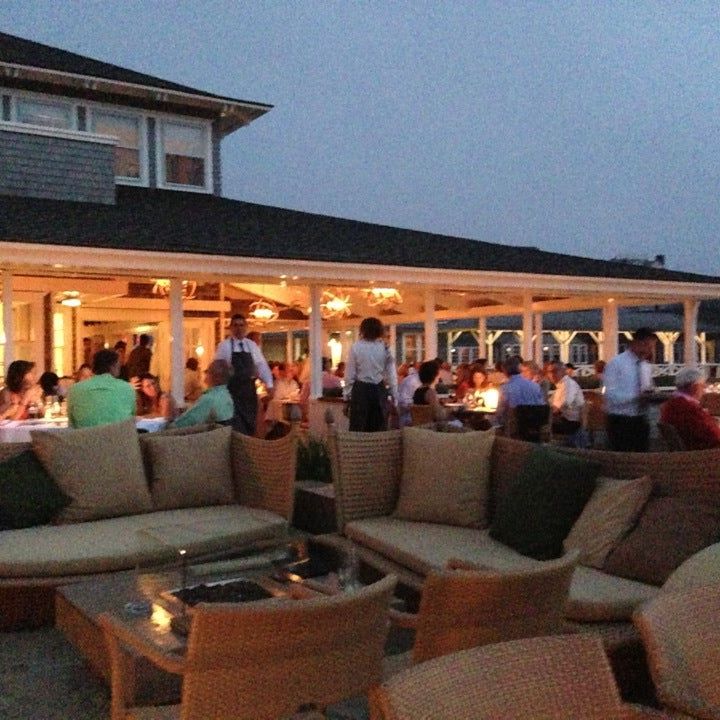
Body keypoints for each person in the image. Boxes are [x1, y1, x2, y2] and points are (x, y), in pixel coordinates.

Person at [214, 313, 274, 435]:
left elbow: (262, 365)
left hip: (248, 392)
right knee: (235, 427)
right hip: (232, 392)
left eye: (241, 325)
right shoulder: (224, 346)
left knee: (250, 425)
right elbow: (217, 369)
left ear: (246, 327)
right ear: (230, 327)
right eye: (235, 325)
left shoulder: (252, 346)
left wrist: (269, 384)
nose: (239, 328)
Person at [603, 327, 657, 452]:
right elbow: (610, 395)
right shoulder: (616, 364)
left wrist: (652, 395)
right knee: (623, 458)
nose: (650, 351)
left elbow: (647, 389)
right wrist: (636, 397)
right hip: (620, 420)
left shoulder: (645, 366)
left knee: (641, 456)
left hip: (641, 418)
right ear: (636, 343)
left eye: (651, 347)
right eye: (648, 346)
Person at [344, 316, 398, 432]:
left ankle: (358, 449)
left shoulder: (355, 347)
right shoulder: (385, 348)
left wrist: (346, 397)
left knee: (359, 428)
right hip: (379, 389)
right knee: (378, 428)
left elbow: (349, 375)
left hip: (360, 390)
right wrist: (394, 394)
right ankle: (376, 449)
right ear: (380, 330)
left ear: (362, 330)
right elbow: (391, 374)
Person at [66, 349, 136, 428]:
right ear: (114, 366)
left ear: (93, 367)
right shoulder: (127, 388)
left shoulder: (75, 390)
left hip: (86, 439)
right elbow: (131, 419)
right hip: (119, 438)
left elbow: (72, 424)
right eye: (119, 364)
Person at [660, 366, 720, 450]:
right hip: (705, 454)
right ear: (694, 387)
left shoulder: (672, 404)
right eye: (702, 386)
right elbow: (714, 436)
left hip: (692, 449)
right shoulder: (687, 408)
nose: (704, 389)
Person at [172, 360, 234, 428]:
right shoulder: (227, 395)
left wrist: (168, 426)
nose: (205, 375)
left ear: (215, 376)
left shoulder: (209, 399)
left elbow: (186, 421)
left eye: (207, 372)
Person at [495, 355, 546, 427]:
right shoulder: (535, 386)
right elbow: (542, 406)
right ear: (520, 369)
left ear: (504, 372)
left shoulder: (504, 388)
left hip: (514, 429)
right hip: (535, 427)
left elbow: (500, 413)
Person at [549, 362, 585, 439]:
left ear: (563, 371)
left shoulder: (568, 384)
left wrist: (550, 410)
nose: (552, 375)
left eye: (555, 371)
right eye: (549, 372)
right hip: (564, 420)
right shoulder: (560, 386)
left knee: (539, 426)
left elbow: (565, 403)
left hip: (570, 423)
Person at [396, 363, 422, 427]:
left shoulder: (408, 379)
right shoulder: (413, 380)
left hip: (405, 414)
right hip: (409, 418)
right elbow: (404, 403)